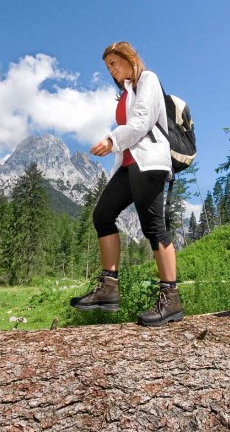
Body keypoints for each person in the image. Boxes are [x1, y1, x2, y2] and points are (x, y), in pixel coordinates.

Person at [69, 41, 183, 327]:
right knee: (103, 215)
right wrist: (116, 145)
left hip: (150, 162)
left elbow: (143, 120)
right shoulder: (127, 91)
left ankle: (171, 299)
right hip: (129, 164)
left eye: (114, 63)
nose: (111, 70)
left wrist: (111, 140)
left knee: (153, 227)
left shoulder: (149, 79)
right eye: (108, 66)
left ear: (130, 59)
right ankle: (109, 288)